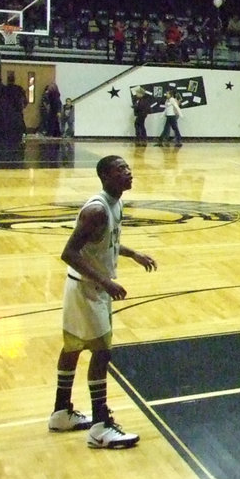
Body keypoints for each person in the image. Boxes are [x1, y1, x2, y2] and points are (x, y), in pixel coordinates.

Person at [49, 155, 157, 448]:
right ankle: (100, 426)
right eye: (120, 169)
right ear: (105, 177)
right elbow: (69, 253)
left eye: (128, 168)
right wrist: (106, 282)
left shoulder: (115, 203)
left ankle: (61, 412)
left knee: (73, 347)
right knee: (102, 353)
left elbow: (106, 241)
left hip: (85, 288)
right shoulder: (96, 210)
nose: (128, 172)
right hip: (88, 290)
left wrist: (133, 253)